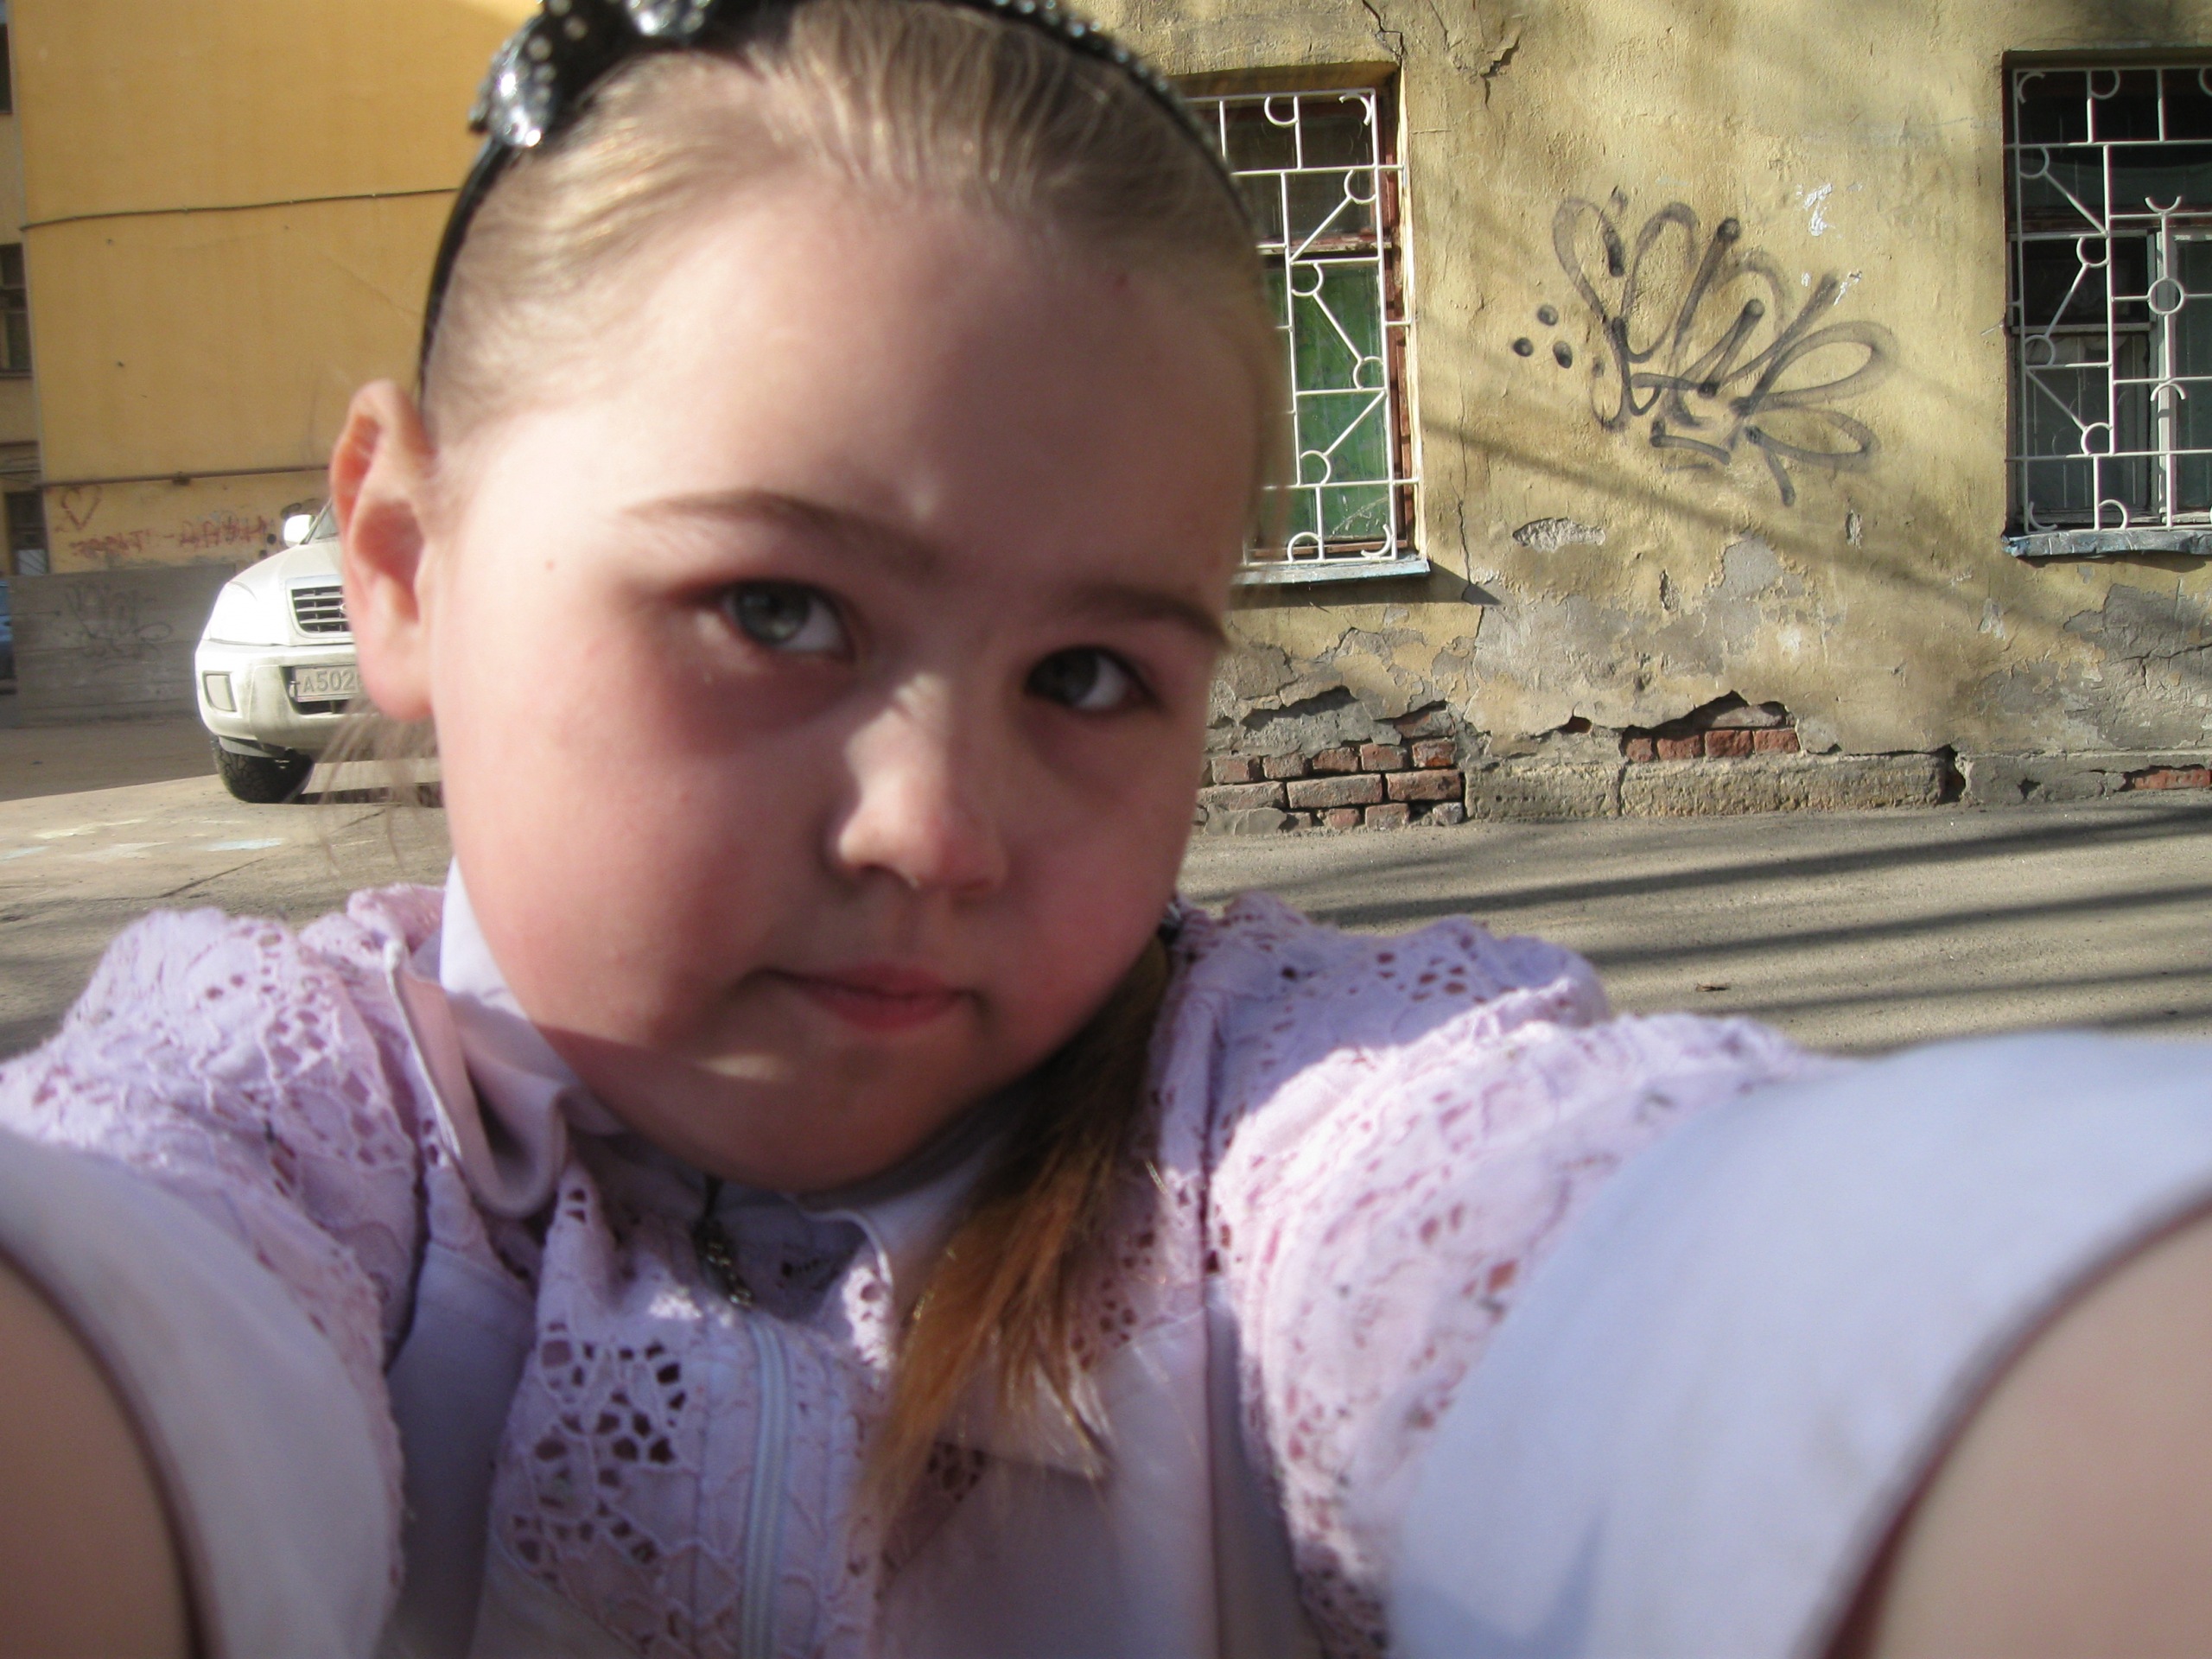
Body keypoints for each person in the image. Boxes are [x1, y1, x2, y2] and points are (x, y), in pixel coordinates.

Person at [0, 3, 2208, 1657]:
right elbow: (125, 1297)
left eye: (1085, 677)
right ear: (401, 560)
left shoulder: (1273, 1137)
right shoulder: (277, 1122)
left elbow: (1672, 1280)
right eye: (774, 610)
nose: (936, 831)